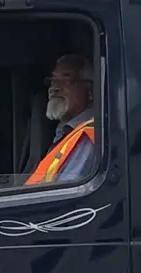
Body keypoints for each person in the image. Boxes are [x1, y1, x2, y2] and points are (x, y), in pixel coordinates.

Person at [25, 54, 96, 185]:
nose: (54, 88)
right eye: (52, 81)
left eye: (66, 80)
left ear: (90, 91)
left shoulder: (89, 135)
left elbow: (67, 194)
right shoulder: (64, 132)